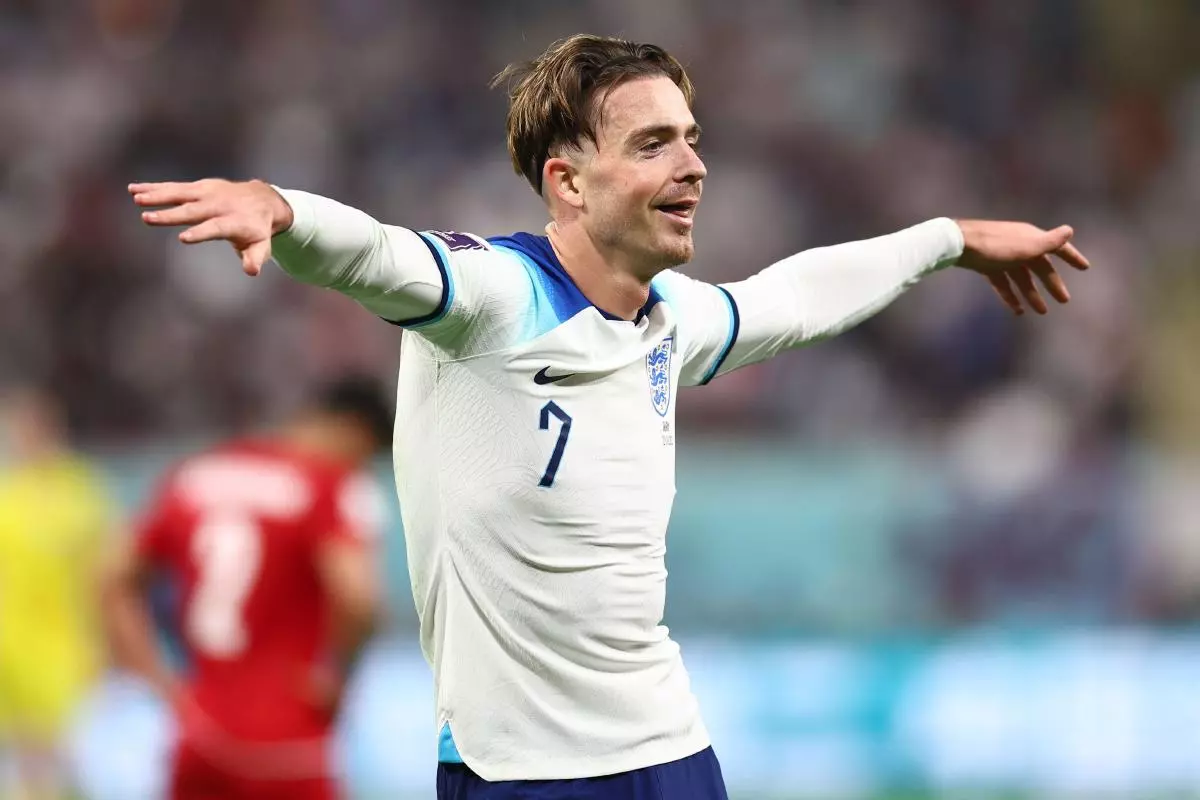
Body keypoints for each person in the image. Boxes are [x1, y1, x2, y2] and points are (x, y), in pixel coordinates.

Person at [127, 33, 1090, 800]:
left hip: (671, 755)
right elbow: (378, 256)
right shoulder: (495, 298)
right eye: (652, 143)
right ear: (567, 182)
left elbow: (799, 295)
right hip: (520, 777)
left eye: (692, 137)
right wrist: (283, 210)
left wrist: (948, 239)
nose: (693, 165)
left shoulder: (669, 322)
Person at [101, 377, 391, 800]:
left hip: (199, 730)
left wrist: (156, 680)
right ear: (354, 430)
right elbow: (360, 603)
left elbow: (110, 578)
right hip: (286, 737)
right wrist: (338, 678)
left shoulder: (199, 472)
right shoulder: (326, 483)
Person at [0, 386, 114, 800]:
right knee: (26, 751)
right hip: (10, 643)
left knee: (64, 753)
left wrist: (104, 638)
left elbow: (106, 570)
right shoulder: (7, 495)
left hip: (65, 643)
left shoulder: (81, 492)